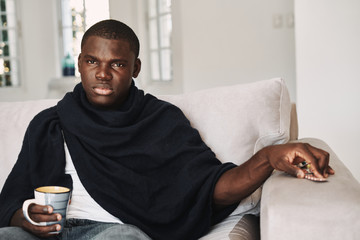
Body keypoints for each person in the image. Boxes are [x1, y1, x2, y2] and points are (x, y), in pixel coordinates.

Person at [0, 19, 334, 240]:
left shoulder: (160, 120)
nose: (103, 73)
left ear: (135, 68)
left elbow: (208, 189)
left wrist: (267, 158)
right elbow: (11, 200)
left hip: (114, 233)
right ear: (80, 64)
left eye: (116, 63)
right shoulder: (51, 122)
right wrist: (22, 218)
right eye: (92, 61)